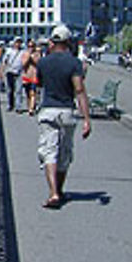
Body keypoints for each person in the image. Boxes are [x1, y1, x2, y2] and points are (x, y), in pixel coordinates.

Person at [36, 24, 92, 209]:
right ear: (68, 42)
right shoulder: (74, 63)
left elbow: (40, 85)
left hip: (48, 110)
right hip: (67, 111)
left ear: (52, 41)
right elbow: (79, 90)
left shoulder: (43, 62)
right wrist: (86, 119)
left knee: (49, 151)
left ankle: (53, 193)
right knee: (64, 153)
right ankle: (59, 191)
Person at [2, 37, 25, 112]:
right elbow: (4, 61)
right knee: (9, 90)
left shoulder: (23, 52)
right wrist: (2, 71)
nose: (18, 44)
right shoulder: (9, 51)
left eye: (19, 42)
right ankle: (10, 105)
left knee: (19, 90)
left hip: (19, 72)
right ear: (14, 43)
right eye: (17, 42)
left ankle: (19, 107)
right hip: (9, 71)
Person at [21, 41, 41, 116]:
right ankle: (29, 105)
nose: (31, 48)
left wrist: (32, 59)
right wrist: (28, 57)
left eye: (32, 46)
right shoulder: (25, 54)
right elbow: (23, 64)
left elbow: (38, 63)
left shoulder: (37, 54)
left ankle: (31, 109)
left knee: (33, 92)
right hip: (27, 75)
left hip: (34, 75)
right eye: (29, 46)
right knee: (27, 93)